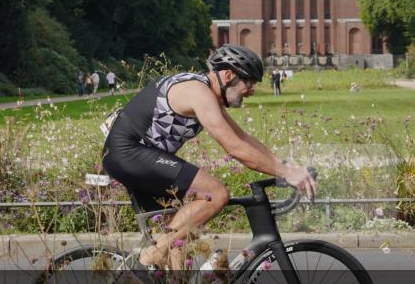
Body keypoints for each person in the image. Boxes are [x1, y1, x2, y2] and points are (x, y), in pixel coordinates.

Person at [102, 45, 316, 269]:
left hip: (134, 156)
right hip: (130, 153)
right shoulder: (198, 92)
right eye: (249, 82)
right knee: (215, 194)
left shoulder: (207, 93)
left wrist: (286, 167)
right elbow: (234, 148)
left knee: (178, 246)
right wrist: (287, 174)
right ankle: (148, 259)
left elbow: (243, 138)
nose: (252, 90)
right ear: (228, 75)